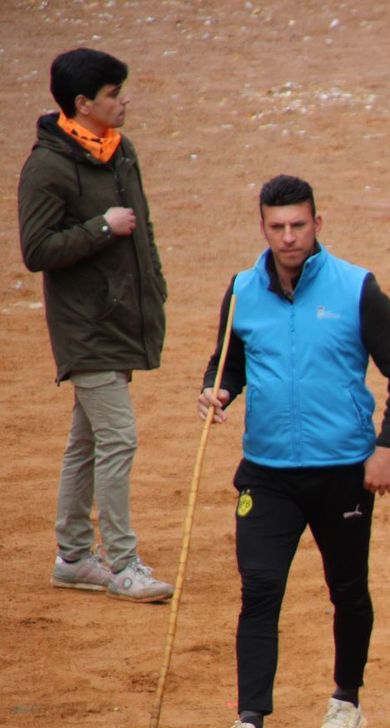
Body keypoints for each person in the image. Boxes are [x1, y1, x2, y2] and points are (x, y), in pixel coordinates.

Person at [199, 175, 390, 728]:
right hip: (267, 475)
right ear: (263, 229)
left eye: (299, 225)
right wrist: (215, 392)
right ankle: (249, 726)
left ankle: (346, 703)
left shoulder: (356, 288)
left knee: (346, 590)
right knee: (260, 590)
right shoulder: (243, 291)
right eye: (277, 227)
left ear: (318, 224)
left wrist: (388, 447)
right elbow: (229, 364)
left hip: (343, 474)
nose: (289, 237)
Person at [20, 48, 173, 603]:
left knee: (85, 442)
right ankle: (124, 563)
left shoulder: (119, 151)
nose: (122, 101)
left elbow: (144, 228)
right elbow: (36, 250)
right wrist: (101, 230)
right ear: (83, 104)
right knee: (118, 438)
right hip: (85, 327)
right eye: (112, 94)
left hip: (118, 319)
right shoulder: (47, 167)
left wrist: (153, 289)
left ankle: (74, 556)